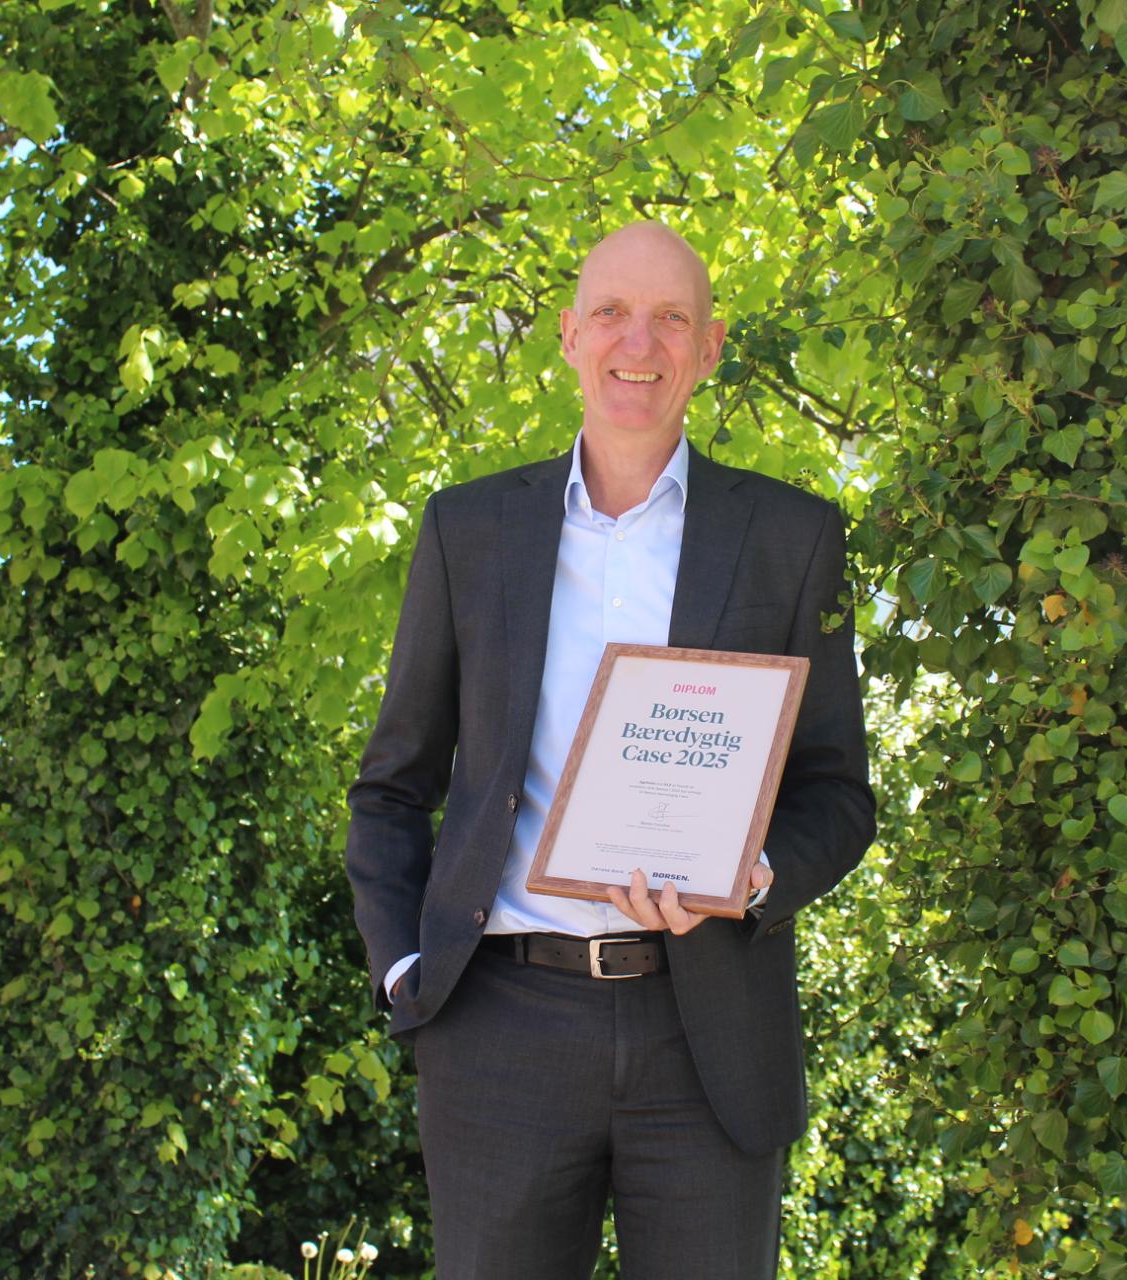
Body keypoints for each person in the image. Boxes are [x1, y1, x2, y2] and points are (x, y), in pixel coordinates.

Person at [345, 220, 875, 1279]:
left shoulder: (791, 538)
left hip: (709, 1033)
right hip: (501, 1027)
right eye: (613, 313)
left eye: (672, 317)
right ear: (570, 335)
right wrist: (405, 968)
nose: (641, 342)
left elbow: (837, 794)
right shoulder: (469, 530)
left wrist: (755, 874)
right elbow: (393, 783)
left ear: (710, 347)